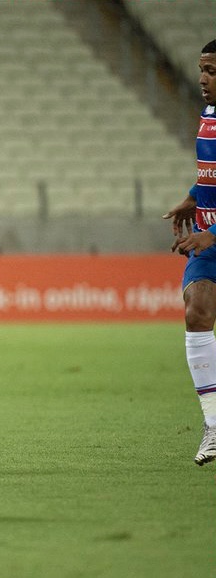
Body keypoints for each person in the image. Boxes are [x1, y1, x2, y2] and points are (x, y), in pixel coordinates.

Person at [163, 39, 216, 466]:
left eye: (213, 71)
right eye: (202, 69)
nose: (202, 78)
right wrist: (192, 197)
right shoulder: (209, 115)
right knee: (196, 312)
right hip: (208, 237)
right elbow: (210, 174)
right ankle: (214, 426)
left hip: (212, 237)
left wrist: (213, 234)